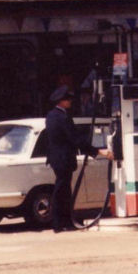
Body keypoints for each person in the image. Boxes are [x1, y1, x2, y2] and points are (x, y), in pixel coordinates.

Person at [45, 85, 111, 233]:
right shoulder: (63, 117)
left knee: (64, 190)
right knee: (61, 190)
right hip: (63, 158)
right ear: (61, 101)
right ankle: (58, 222)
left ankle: (65, 221)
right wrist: (99, 151)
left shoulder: (51, 116)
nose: (70, 102)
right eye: (67, 99)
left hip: (57, 158)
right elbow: (75, 139)